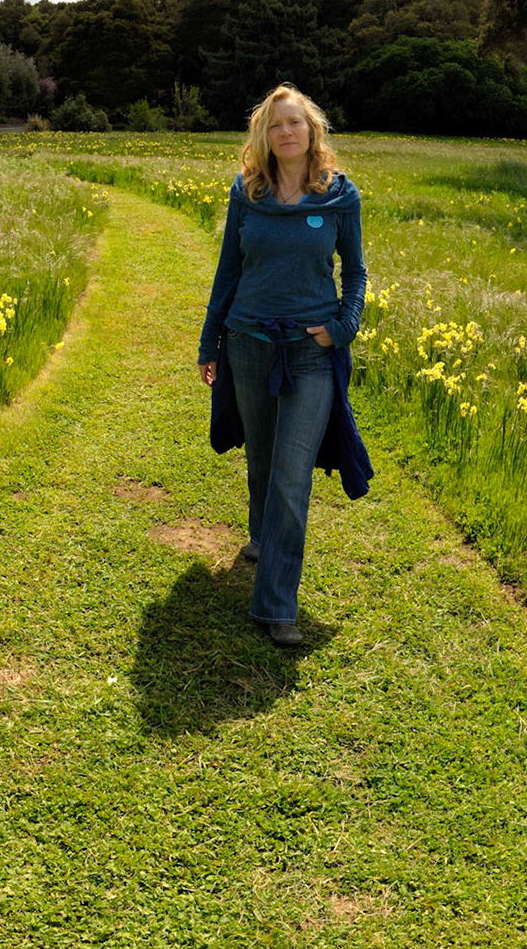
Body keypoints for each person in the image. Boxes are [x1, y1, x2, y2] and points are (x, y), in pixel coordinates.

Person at [197, 84, 367, 647]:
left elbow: (356, 273)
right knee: (263, 455)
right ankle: (259, 535)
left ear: (312, 129)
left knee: (291, 477)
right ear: (263, 136)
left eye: (295, 122)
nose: (286, 132)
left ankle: (275, 605)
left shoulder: (341, 196)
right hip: (247, 342)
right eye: (275, 125)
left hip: (311, 352)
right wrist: (209, 342)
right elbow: (228, 270)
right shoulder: (247, 192)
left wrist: (342, 327)